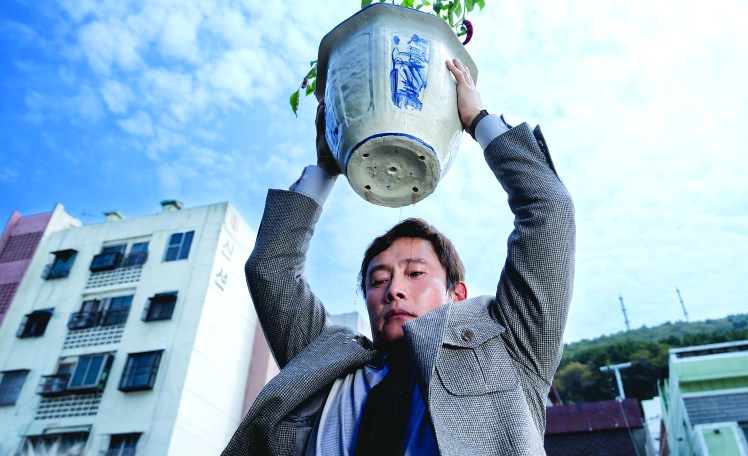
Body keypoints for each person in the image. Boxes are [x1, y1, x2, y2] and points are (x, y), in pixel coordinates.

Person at [223, 59, 575, 456]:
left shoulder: (511, 346)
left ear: (455, 295)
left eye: (415, 273)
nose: (393, 291)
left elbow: (550, 211)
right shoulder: (323, 361)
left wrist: (478, 119)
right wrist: (325, 168)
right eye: (378, 280)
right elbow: (270, 269)